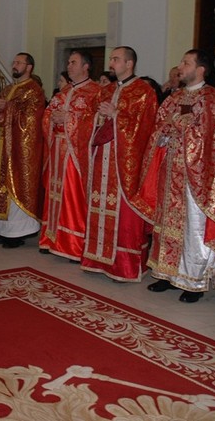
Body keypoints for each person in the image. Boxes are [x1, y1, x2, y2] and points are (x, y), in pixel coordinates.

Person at [136, 50, 215, 302]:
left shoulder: (214, 100)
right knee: (166, 224)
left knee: (193, 228)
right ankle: (166, 273)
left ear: (201, 69)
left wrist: (182, 129)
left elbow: (214, 142)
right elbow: (158, 128)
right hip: (169, 172)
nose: (180, 66)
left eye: (186, 63)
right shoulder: (174, 97)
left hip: (196, 179)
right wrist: (164, 133)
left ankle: (193, 281)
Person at [81, 46, 157, 282]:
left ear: (129, 63)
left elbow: (145, 129)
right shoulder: (106, 90)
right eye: (111, 59)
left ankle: (124, 266)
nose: (111, 64)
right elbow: (89, 119)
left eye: (116, 59)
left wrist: (116, 115)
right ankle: (97, 259)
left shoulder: (144, 92)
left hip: (124, 165)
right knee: (98, 207)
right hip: (101, 160)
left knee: (124, 214)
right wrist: (99, 118)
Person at [39, 50, 100, 260]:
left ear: (86, 66)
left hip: (76, 154)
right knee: (54, 194)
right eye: (68, 62)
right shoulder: (63, 92)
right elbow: (47, 114)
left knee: (72, 197)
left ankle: (73, 243)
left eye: (73, 62)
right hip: (57, 149)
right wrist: (52, 118)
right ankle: (51, 238)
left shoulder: (95, 92)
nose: (69, 66)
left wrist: (70, 119)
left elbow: (96, 122)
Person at [0, 52, 44, 248]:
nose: (15, 65)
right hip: (2, 144)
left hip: (19, 148)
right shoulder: (8, 89)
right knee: (1, 188)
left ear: (29, 67)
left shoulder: (34, 90)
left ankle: (17, 233)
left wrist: (9, 108)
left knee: (15, 187)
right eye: (14, 62)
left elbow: (31, 119)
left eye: (19, 62)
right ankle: (3, 230)